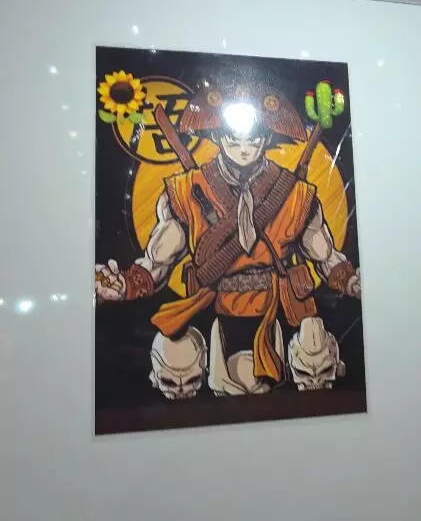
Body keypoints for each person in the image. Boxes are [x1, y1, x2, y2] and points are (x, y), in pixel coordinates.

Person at [95, 82, 361, 397]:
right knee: (178, 367)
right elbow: (159, 259)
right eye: (233, 138)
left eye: (253, 138)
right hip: (209, 308)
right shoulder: (186, 191)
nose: (244, 147)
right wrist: (125, 284)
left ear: (266, 138)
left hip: (278, 310)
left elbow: (325, 256)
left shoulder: (295, 194)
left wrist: (351, 281)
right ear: (219, 136)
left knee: (313, 360)